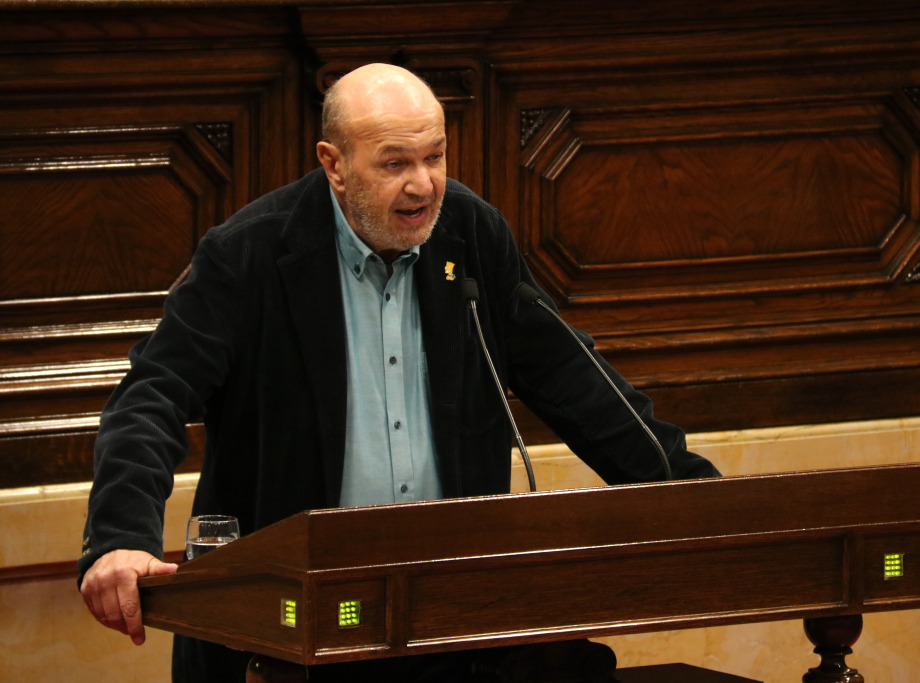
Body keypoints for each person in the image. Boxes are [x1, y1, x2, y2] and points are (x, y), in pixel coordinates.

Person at [78, 63, 720, 682]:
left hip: (449, 621)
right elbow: (150, 398)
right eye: (395, 163)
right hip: (287, 625)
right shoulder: (250, 254)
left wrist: (695, 496)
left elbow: (572, 376)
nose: (423, 184)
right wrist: (119, 538)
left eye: (435, 157)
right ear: (333, 163)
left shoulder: (468, 234)